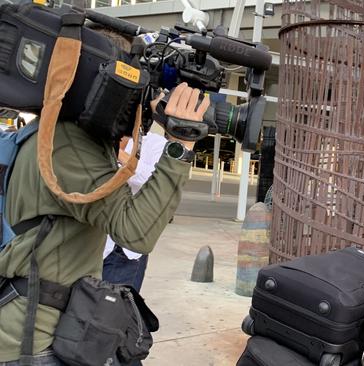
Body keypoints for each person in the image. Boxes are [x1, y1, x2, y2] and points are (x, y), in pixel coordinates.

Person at [0, 69, 208, 366]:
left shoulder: (52, 131)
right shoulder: (69, 141)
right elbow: (136, 230)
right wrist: (181, 142)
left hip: (48, 326)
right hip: (36, 343)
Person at [102, 132, 168, 292]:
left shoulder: (155, 143)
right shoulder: (94, 135)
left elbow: (154, 181)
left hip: (124, 248)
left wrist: (117, 154)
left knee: (115, 311)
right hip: (91, 241)